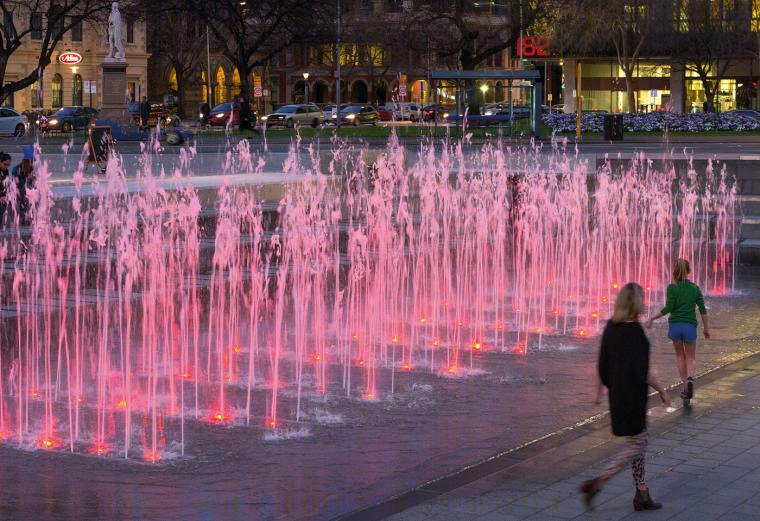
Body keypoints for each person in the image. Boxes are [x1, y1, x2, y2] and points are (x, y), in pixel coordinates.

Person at [580, 283, 669, 512]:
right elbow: (645, 372)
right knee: (637, 443)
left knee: (639, 441)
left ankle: (642, 493)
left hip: (618, 397)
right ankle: (598, 481)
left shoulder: (611, 326)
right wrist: (662, 391)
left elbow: (602, 363)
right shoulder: (637, 333)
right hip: (634, 399)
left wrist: (599, 392)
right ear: (636, 304)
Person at [646, 259, 709, 403]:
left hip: (675, 326)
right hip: (689, 326)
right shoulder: (695, 288)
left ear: (675, 271)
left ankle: (686, 387)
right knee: (690, 357)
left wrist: (652, 318)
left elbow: (668, 308)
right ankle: (690, 378)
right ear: (688, 271)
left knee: (680, 356)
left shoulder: (671, 288)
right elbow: (703, 310)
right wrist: (706, 328)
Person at [11, 146, 35, 224]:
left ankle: (34, 216)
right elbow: (15, 184)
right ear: (24, 161)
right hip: (20, 190)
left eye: (32, 161)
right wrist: (27, 179)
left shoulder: (34, 169)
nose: (31, 163)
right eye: (29, 161)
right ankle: (23, 216)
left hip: (31, 191)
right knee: (24, 194)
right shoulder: (17, 169)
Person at [0, 152, 11, 227]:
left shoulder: (5, 171)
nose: (6, 166)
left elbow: (5, 185)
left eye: (8, 165)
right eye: (5, 164)